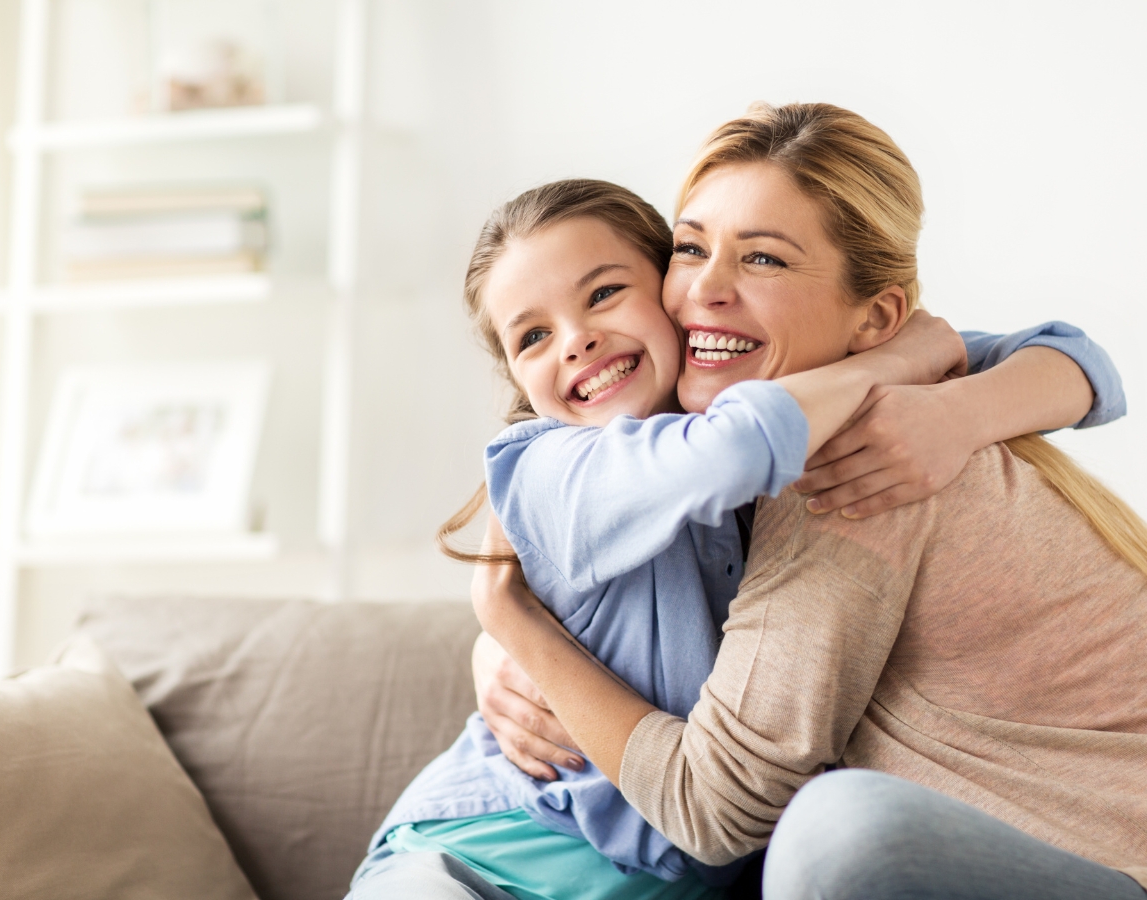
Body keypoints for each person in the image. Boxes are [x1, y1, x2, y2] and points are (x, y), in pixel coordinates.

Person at [470, 102, 1147, 900]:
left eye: (764, 260)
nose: (705, 293)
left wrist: (511, 619)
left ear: (878, 320)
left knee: (837, 829)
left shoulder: (866, 461)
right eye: (690, 248)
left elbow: (711, 811)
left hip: (1097, 866)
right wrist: (490, 652)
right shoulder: (853, 409)